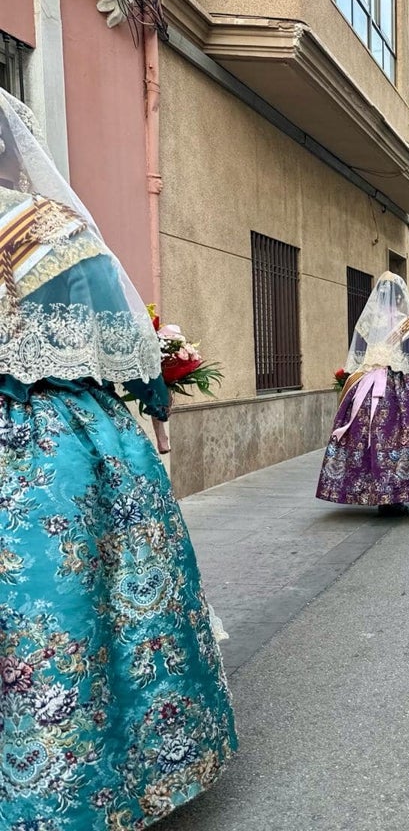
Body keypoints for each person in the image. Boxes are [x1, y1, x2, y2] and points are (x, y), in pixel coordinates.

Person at [0, 90, 236, 827]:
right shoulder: (51, 230)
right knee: (83, 600)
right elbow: (120, 334)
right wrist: (153, 398)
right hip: (55, 434)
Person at [317, 272, 409, 510]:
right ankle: (398, 492)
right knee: (404, 435)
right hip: (401, 386)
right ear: (402, 296)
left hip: (368, 385)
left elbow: (358, 357)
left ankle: (369, 490)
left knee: (368, 436)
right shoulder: (408, 323)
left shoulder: (367, 323)